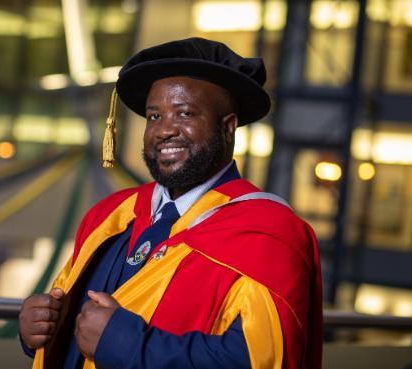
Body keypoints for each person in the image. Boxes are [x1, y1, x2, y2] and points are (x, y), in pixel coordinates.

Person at [19, 37, 323, 369]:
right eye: (154, 116)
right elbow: (71, 322)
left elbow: (263, 360)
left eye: (184, 113)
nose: (164, 131)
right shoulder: (110, 216)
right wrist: (39, 328)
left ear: (228, 127)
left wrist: (124, 344)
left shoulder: (268, 234)